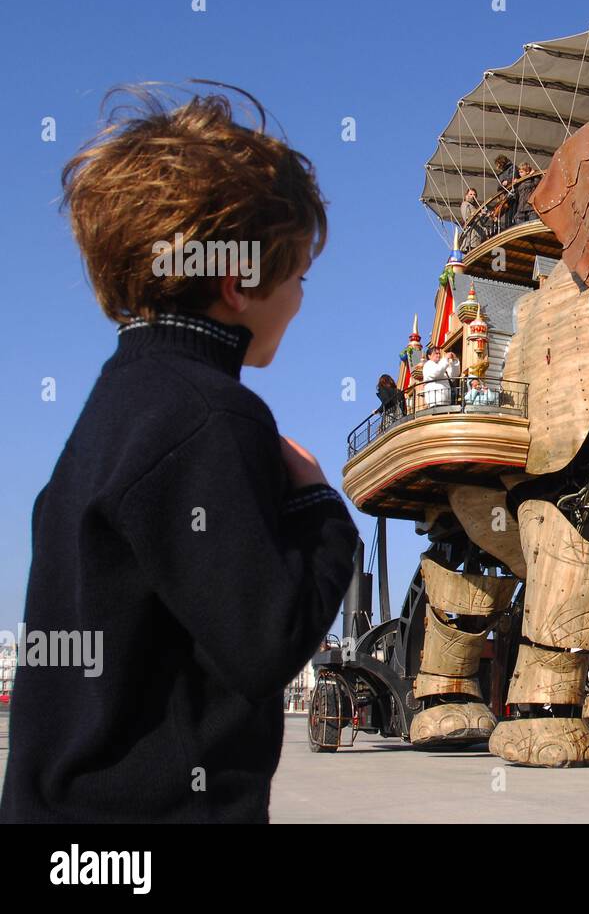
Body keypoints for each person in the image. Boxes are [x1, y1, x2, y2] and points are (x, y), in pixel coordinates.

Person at [0, 85, 359, 823]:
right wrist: (324, 511)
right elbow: (265, 643)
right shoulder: (212, 416)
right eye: (297, 275)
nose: (300, 298)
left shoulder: (110, 412)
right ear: (238, 283)